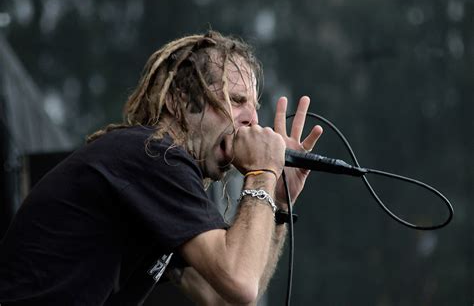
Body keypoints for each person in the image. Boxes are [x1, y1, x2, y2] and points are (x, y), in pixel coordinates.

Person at [0, 31, 322, 305]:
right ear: (180, 100)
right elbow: (238, 281)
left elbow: (222, 298)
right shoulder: (155, 155)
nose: (252, 120)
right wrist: (262, 173)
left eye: (254, 107)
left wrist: (277, 204)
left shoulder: (156, 176)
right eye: (236, 100)